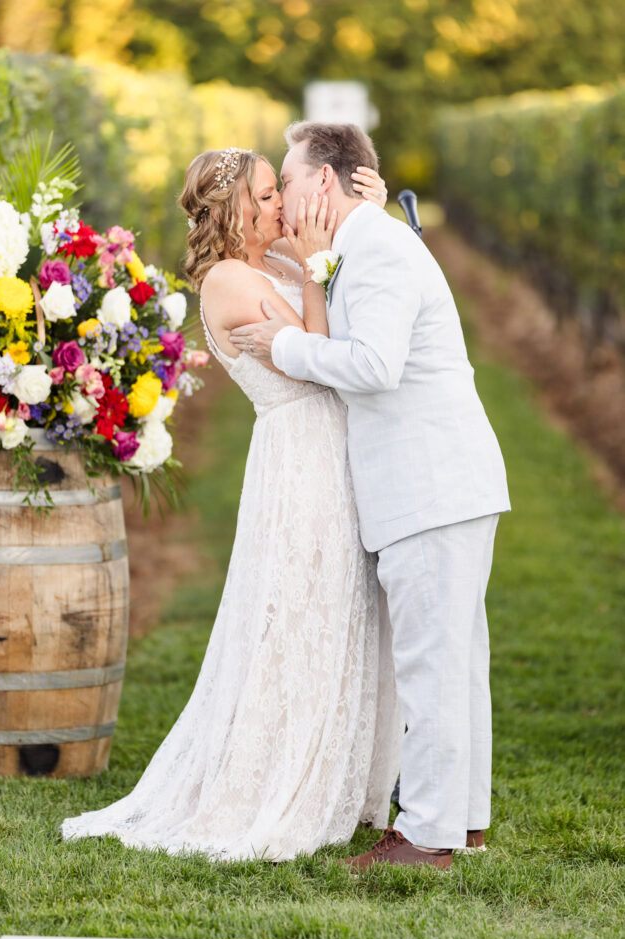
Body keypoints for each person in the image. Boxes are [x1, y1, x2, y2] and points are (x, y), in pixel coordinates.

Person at [60, 148, 403, 862]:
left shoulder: (271, 263)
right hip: (300, 459)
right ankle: (276, 780)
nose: (284, 203)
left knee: (342, 609)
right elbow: (318, 348)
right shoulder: (227, 281)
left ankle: (347, 775)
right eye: (270, 193)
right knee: (299, 612)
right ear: (236, 208)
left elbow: (346, 298)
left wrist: (358, 220)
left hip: (334, 450)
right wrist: (315, 264)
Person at [230, 122, 511, 871]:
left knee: (433, 664)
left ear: (322, 181)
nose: (283, 198)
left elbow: (377, 365)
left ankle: (425, 836)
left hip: (431, 483)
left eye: (287, 181)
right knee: (452, 659)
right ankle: (462, 820)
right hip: (438, 482)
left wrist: (281, 347)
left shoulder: (380, 251)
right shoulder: (364, 247)